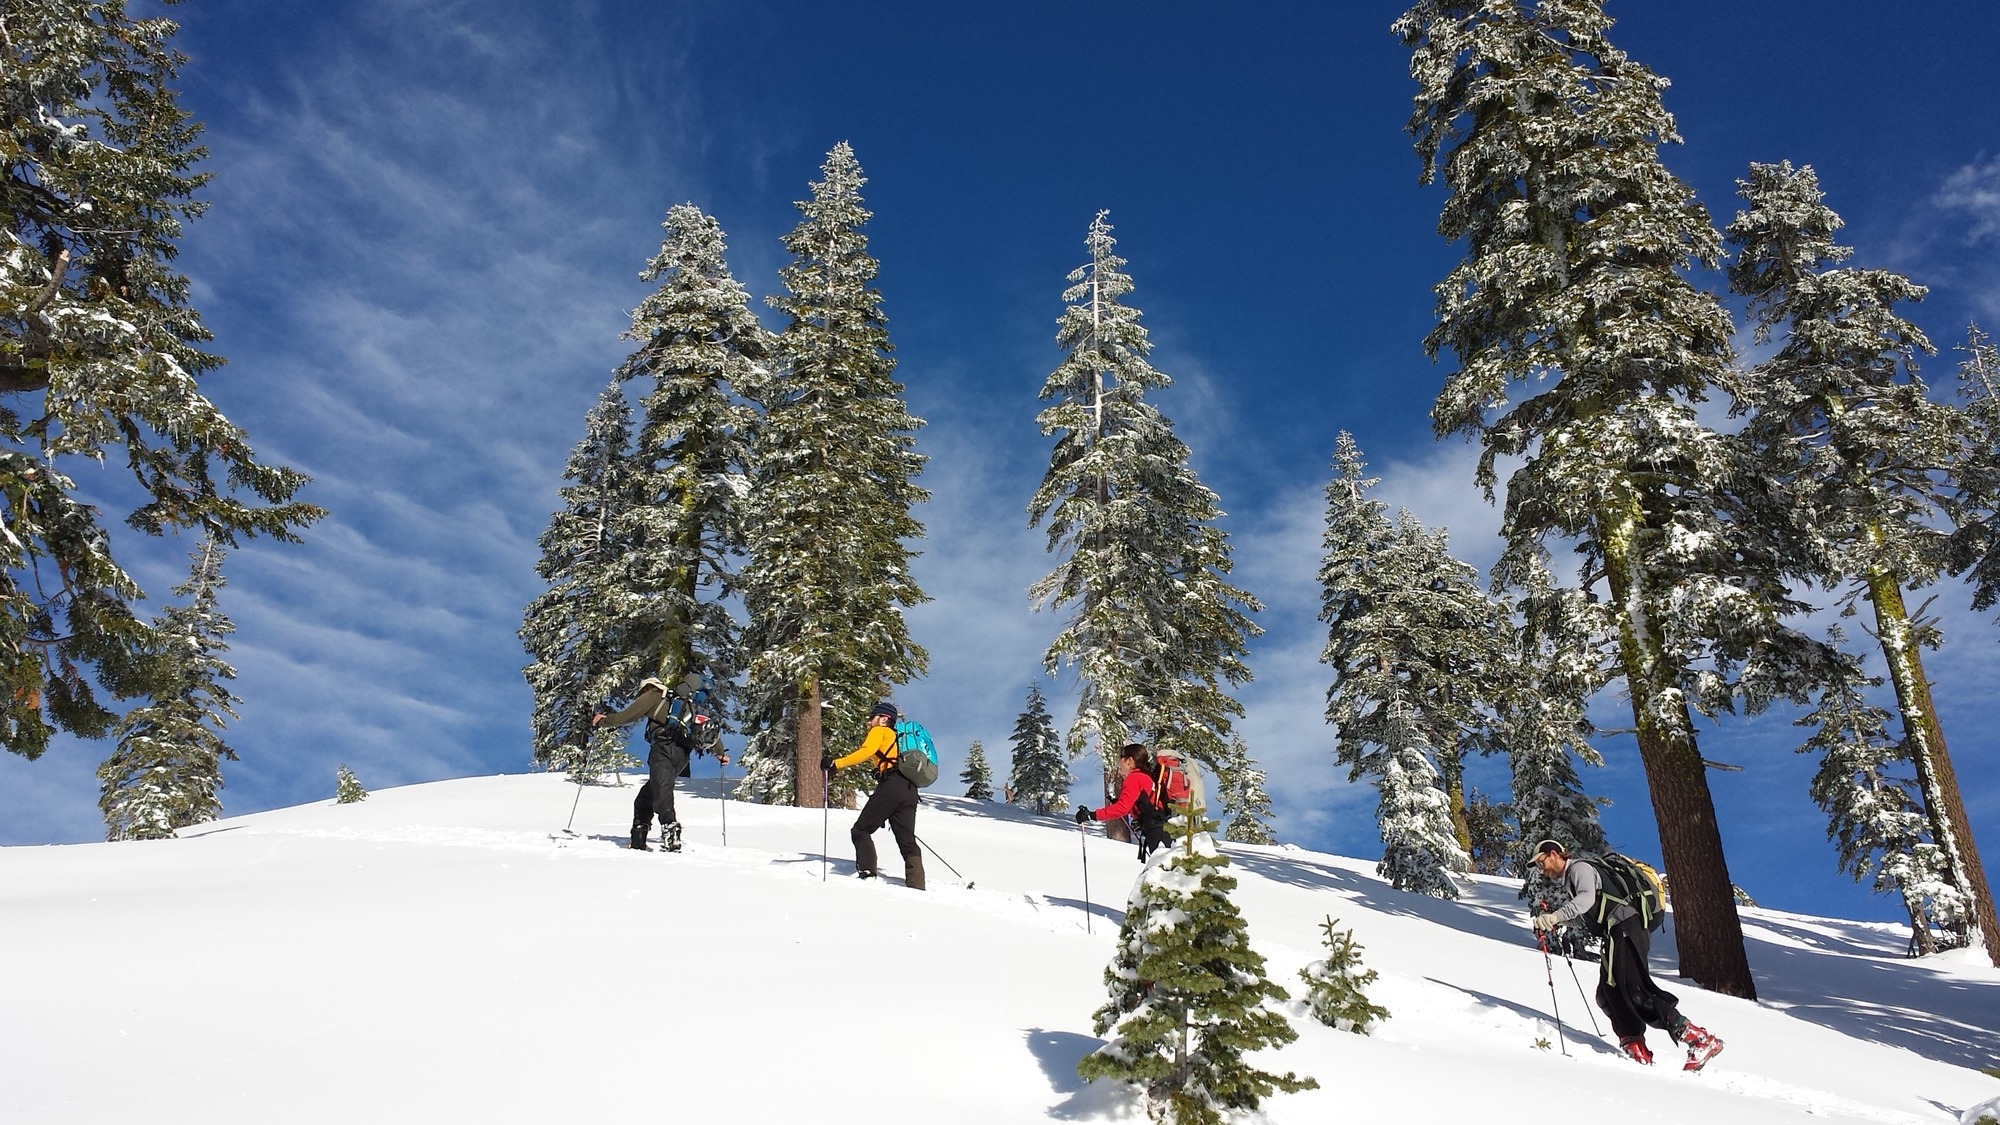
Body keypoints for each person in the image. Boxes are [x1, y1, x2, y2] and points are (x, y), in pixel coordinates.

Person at [1530, 839, 1725, 1070]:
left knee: (1635, 990)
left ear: (1554, 854)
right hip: (1620, 930)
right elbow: (1587, 914)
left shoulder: (1579, 868)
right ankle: (1635, 1046)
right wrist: (1557, 920)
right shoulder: (1572, 878)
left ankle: (1697, 1038)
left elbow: (1585, 901)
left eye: (1541, 862)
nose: (1541, 868)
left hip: (1625, 927)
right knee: (1608, 993)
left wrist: (1555, 917)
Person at [593, 670, 722, 852]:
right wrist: (720, 752)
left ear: (648, 687)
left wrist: (603, 721)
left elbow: (625, 716)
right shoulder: (685, 706)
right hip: (682, 756)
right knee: (646, 797)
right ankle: (638, 839)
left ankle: (671, 830)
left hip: (663, 747)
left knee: (662, 790)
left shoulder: (653, 697)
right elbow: (705, 728)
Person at [824, 701, 924, 890]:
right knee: (907, 840)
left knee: (860, 830)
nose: (868, 722)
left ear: (885, 719)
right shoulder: (899, 739)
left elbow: (865, 752)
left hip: (892, 785)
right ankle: (917, 885)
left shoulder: (880, 731)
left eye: (872, 717)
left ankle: (868, 874)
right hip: (910, 789)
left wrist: (836, 764)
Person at [1074, 743, 1172, 860]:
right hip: (1160, 828)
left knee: (1159, 871)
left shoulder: (1135, 778)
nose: (1119, 762)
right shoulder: (1145, 776)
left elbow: (1122, 808)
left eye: (1121, 758)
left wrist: (1091, 815)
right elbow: (1143, 804)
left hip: (1156, 830)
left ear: (1129, 760)